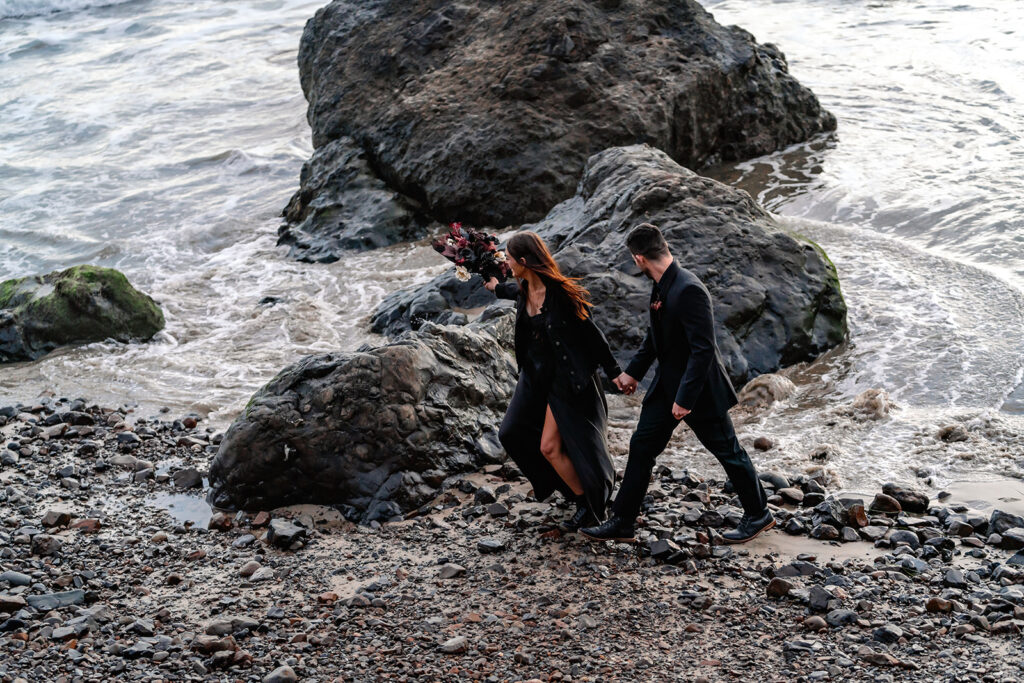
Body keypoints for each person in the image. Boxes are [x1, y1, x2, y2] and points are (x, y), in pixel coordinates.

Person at [582, 223, 774, 544]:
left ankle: (758, 514)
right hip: (665, 388)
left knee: (728, 451)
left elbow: (703, 351)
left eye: (634, 260)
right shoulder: (661, 286)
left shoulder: (689, 289)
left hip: (697, 390)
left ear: (639, 258)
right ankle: (623, 521)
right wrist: (634, 373)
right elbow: (655, 337)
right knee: (641, 446)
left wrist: (685, 398)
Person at [484, 231, 622, 531]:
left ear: (524, 261)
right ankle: (568, 489)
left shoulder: (560, 294)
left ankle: (587, 503)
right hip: (534, 378)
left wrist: (615, 372)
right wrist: (495, 287)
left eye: (509, 259)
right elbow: (510, 292)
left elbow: (592, 335)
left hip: (565, 380)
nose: (506, 264)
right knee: (511, 432)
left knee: (549, 446)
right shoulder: (523, 291)